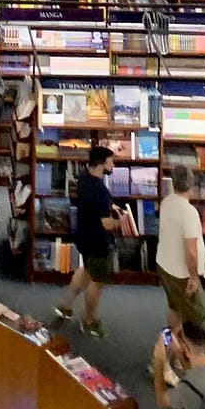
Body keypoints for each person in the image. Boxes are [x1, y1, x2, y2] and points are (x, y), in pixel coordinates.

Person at [54, 143, 120, 337]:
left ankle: (64, 305)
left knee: (86, 271)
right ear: (102, 163)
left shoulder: (83, 179)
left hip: (84, 235)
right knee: (97, 281)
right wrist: (122, 222)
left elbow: (96, 208)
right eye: (111, 161)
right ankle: (89, 321)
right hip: (98, 240)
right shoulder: (100, 191)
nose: (113, 165)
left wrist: (111, 208)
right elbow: (107, 224)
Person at [157, 165, 205, 329]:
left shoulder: (166, 202)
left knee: (174, 309)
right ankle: (193, 354)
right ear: (192, 185)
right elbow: (191, 252)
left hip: (165, 266)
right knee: (196, 319)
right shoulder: (189, 212)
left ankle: (167, 347)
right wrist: (194, 277)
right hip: (182, 274)